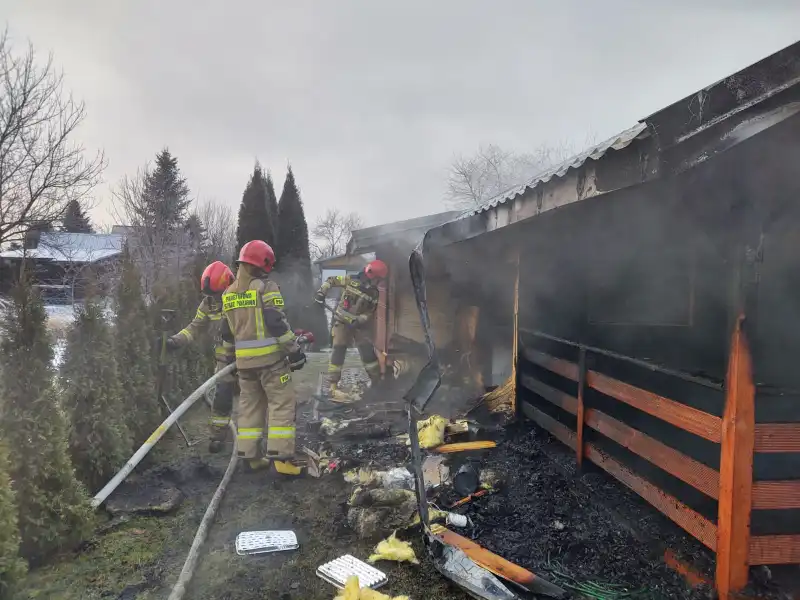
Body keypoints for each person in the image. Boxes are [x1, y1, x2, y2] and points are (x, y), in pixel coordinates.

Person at [220, 240, 307, 475]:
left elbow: (227, 333)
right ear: (262, 264)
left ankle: (251, 456)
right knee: (282, 404)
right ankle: (282, 460)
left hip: (244, 366)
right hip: (271, 363)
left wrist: (229, 360)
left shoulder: (227, 293)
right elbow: (275, 321)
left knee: (249, 408)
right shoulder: (265, 288)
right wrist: (294, 350)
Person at [165, 260, 236, 453]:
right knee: (222, 397)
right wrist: (176, 341)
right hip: (224, 362)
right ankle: (217, 437)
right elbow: (195, 327)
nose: (215, 299)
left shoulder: (241, 298)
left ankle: (252, 444)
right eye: (211, 295)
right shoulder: (208, 304)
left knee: (252, 400)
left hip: (247, 358)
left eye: (217, 294)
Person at [313, 259, 388, 401]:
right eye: (378, 280)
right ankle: (333, 386)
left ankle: (377, 383)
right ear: (374, 276)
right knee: (338, 351)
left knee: (368, 354)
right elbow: (331, 280)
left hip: (359, 326)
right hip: (341, 322)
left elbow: (370, 313)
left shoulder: (374, 293)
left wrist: (359, 320)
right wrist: (321, 293)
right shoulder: (351, 279)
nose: (378, 283)